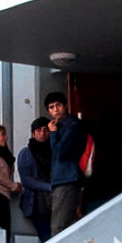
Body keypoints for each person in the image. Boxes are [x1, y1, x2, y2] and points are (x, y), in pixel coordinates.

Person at [45, 92, 90, 234]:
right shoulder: (63, 125)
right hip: (65, 178)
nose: (55, 110)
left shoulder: (72, 125)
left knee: (59, 227)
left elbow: (61, 152)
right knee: (68, 225)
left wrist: (53, 133)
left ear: (65, 106)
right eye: (51, 107)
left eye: (58, 105)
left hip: (67, 178)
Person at [17, 117, 54, 243]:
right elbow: (26, 180)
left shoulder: (55, 150)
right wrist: (49, 187)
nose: (42, 134)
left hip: (56, 200)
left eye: (45, 130)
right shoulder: (26, 153)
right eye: (39, 131)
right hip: (37, 202)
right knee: (47, 238)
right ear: (33, 133)